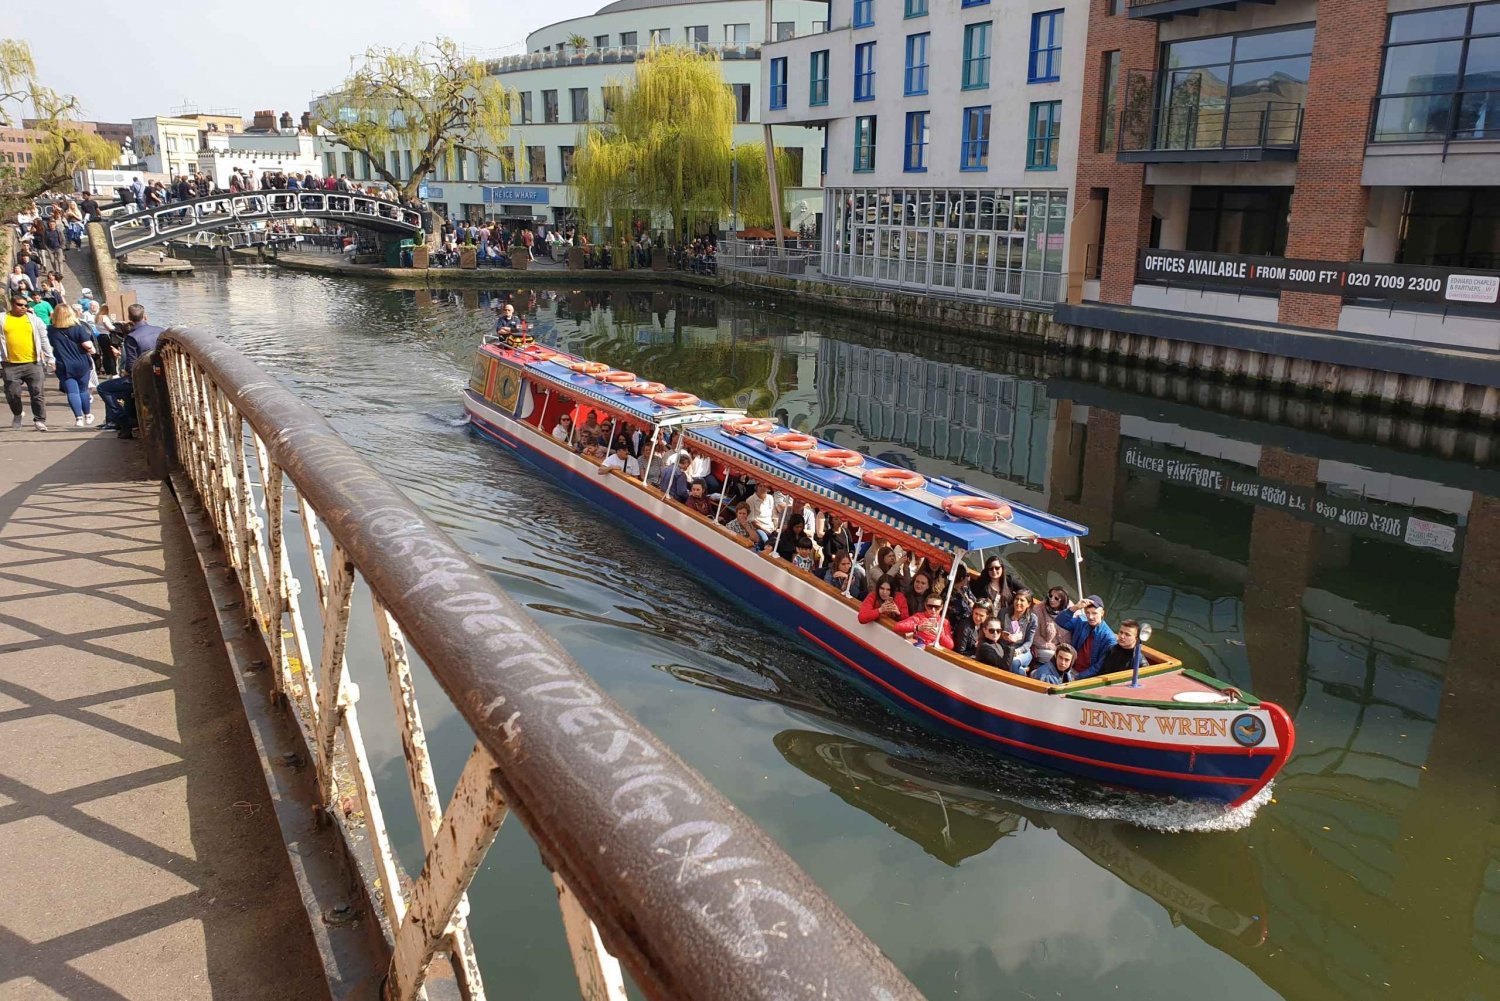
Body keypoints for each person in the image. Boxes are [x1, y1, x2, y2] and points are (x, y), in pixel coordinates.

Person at [96, 304, 164, 437]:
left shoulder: (132, 337)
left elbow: (131, 365)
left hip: (141, 378)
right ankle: (132, 419)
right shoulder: (160, 330)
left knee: (103, 388)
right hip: (159, 374)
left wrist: (125, 372)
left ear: (129, 318)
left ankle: (123, 422)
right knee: (126, 394)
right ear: (145, 316)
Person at [3, 292, 54, 431]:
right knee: (12, 394)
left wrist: (50, 358)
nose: (24, 307)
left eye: (26, 305)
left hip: (33, 363)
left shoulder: (34, 320)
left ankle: (39, 420)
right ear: (12, 305)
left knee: (37, 393)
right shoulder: (3, 319)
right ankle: (18, 414)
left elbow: (44, 339)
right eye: (20, 305)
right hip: (10, 364)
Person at [46, 304, 96, 426]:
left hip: (63, 364)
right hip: (81, 363)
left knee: (72, 392)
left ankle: (78, 419)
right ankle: (88, 415)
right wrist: (92, 350)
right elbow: (88, 346)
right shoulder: (78, 328)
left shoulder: (51, 330)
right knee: (83, 390)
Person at [1053, 594, 1118, 681]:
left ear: (1102, 613)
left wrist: (1077, 677)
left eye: (1094, 613)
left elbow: (1099, 667)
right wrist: (1075, 607)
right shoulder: (1081, 622)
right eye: (1087, 613)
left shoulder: (1109, 638)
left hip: (1084, 677)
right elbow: (1060, 621)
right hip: (1069, 666)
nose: (1090, 617)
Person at [996, 589, 1038, 675]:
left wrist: (1017, 651)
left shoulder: (1032, 619)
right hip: (1004, 647)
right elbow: (996, 632)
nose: (1018, 602)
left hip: (1021, 650)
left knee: (1013, 663)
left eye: (1022, 600)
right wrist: (1002, 636)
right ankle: (1022, 670)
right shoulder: (1003, 612)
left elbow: (1029, 642)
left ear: (1028, 604)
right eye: (1017, 599)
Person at [1031, 586, 1068, 668]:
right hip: (1041, 648)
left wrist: (1062, 649)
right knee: (1056, 658)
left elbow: (1067, 638)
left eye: (1056, 598)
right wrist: (1053, 647)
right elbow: (1035, 637)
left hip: (1060, 649)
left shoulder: (1067, 614)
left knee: (1065, 658)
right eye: (1050, 596)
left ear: (1063, 601)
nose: (1052, 599)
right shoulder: (1038, 610)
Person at [745, 481, 784, 551]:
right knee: (765, 540)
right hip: (758, 528)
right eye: (760, 486)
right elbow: (752, 520)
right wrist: (765, 530)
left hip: (771, 528)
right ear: (756, 487)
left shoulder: (770, 498)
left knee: (780, 541)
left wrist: (776, 526)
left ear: (768, 489)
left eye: (764, 486)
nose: (762, 488)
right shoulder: (750, 500)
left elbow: (774, 514)